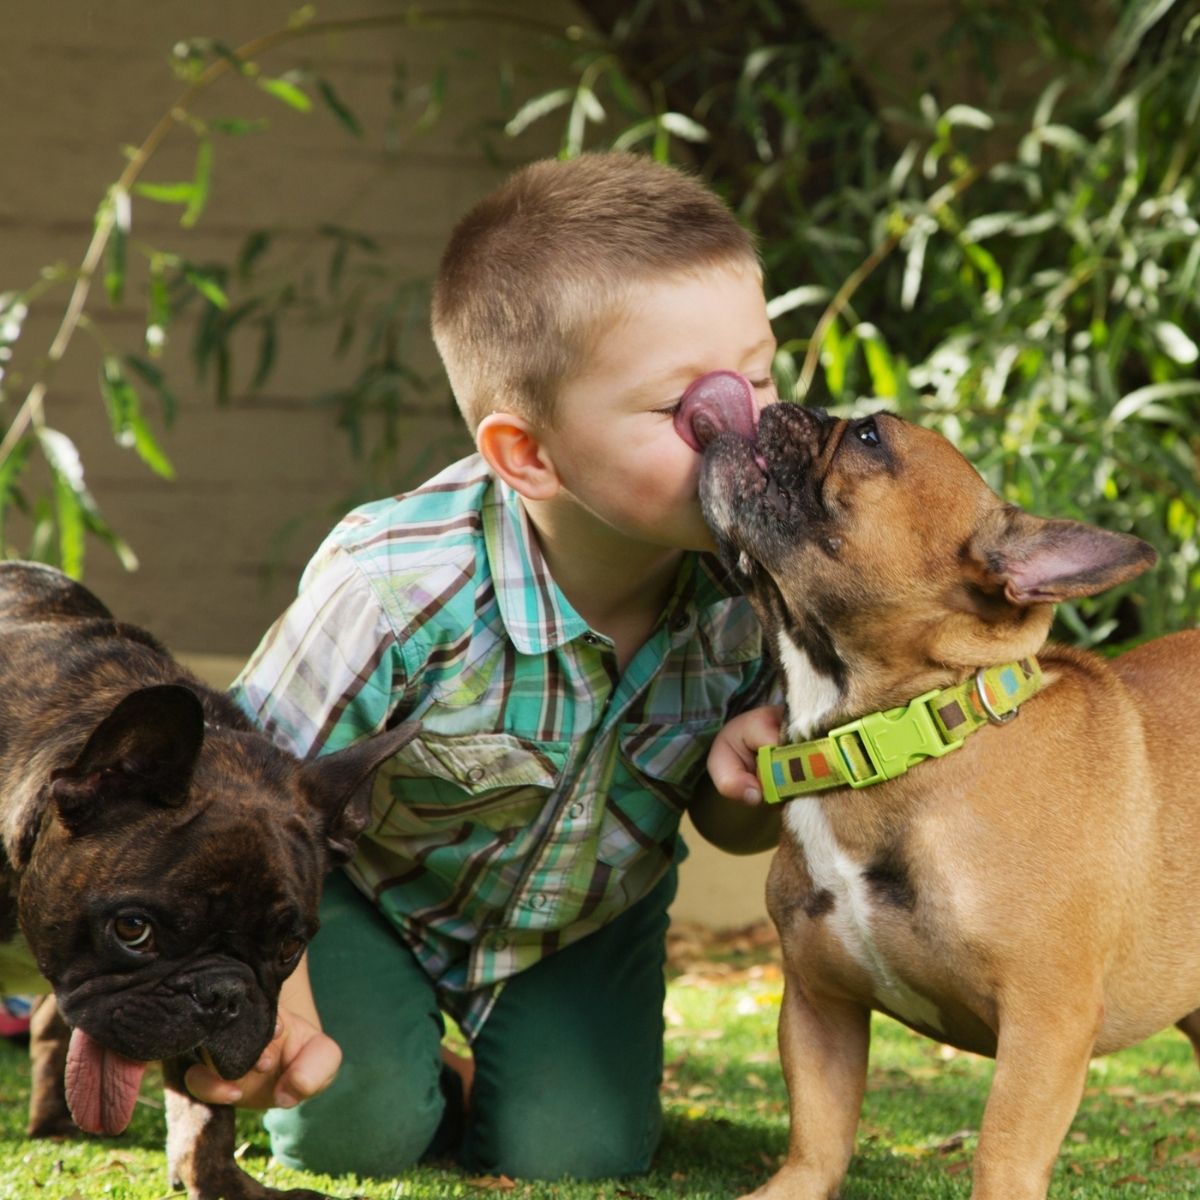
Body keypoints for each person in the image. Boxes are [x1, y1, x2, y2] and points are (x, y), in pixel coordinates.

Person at [185, 151, 787, 1181]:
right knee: (352, 1135)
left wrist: (766, 770)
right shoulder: (395, 587)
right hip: (361, 894)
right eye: (688, 412)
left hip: (583, 920)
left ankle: (501, 1080)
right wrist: (273, 1000)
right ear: (529, 455)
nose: (747, 429)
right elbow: (244, 797)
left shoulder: (760, 585)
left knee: (580, 1159)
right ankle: (408, 1067)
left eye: (763, 378)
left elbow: (734, 822)